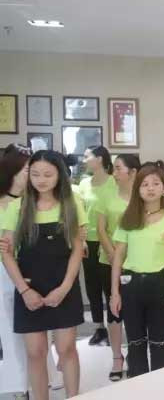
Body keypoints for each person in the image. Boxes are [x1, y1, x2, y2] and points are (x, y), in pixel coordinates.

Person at [1, 150, 87, 400]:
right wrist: (24, 290)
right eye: (35, 174)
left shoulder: (72, 204)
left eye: (48, 174)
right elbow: (6, 253)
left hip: (63, 284)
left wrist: (65, 287)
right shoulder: (17, 207)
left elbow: (77, 250)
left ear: (59, 175)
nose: (41, 180)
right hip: (29, 287)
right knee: (35, 352)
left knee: (67, 349)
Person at [109, 163, 164, 377]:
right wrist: (115, 293)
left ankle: (159, 387)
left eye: (156, 183)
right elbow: (118, 257)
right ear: (137, 190)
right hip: (130, 285)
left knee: (159, 341)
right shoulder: (128, 218)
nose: (150, 188)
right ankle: (138, 385)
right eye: (144, 184)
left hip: (160, 284)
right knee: (135, 341)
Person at [95, 154, 140, 381]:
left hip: (138, 262)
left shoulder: (142, 195)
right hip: (109, 260)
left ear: (133, 172)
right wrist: (113, 255)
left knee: (134, 310)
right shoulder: (106, 195)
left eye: (119, 168)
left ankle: (134, 352)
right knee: (114, 310)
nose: (114, 172)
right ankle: (116, 357)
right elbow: (101, 229)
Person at [77, 146, 117, 346]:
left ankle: (114, 327)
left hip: (109, 241)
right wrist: (81, 239)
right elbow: (80, 212)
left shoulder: (114, 182)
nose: (83, 160)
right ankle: (99, 328)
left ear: (100, 159)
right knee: (92, 286)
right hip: (88, 243)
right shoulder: (84, 183)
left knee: (110, 286)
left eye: (87, 156)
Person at [0, 148, 30, 399]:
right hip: (3, 272)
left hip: (31, 268)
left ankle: (37, 379)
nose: (32, 175)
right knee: (9, 328)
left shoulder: (33, 201)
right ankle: (19, 384)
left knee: (34, 332)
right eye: (27, 170)